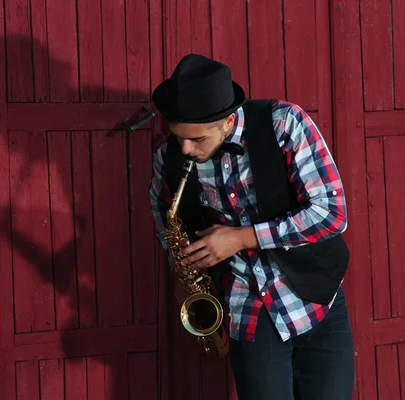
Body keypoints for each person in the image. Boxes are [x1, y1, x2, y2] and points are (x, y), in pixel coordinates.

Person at [148, 53, 355, 400]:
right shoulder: (168, 157)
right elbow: (163, 216)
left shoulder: (284, 124)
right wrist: (180, 276)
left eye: (197, 140)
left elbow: (330, 213)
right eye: (178, 136)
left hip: (318, 303)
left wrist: (241, 238)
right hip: (248, 313)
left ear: (228, 121)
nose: (185, 148)